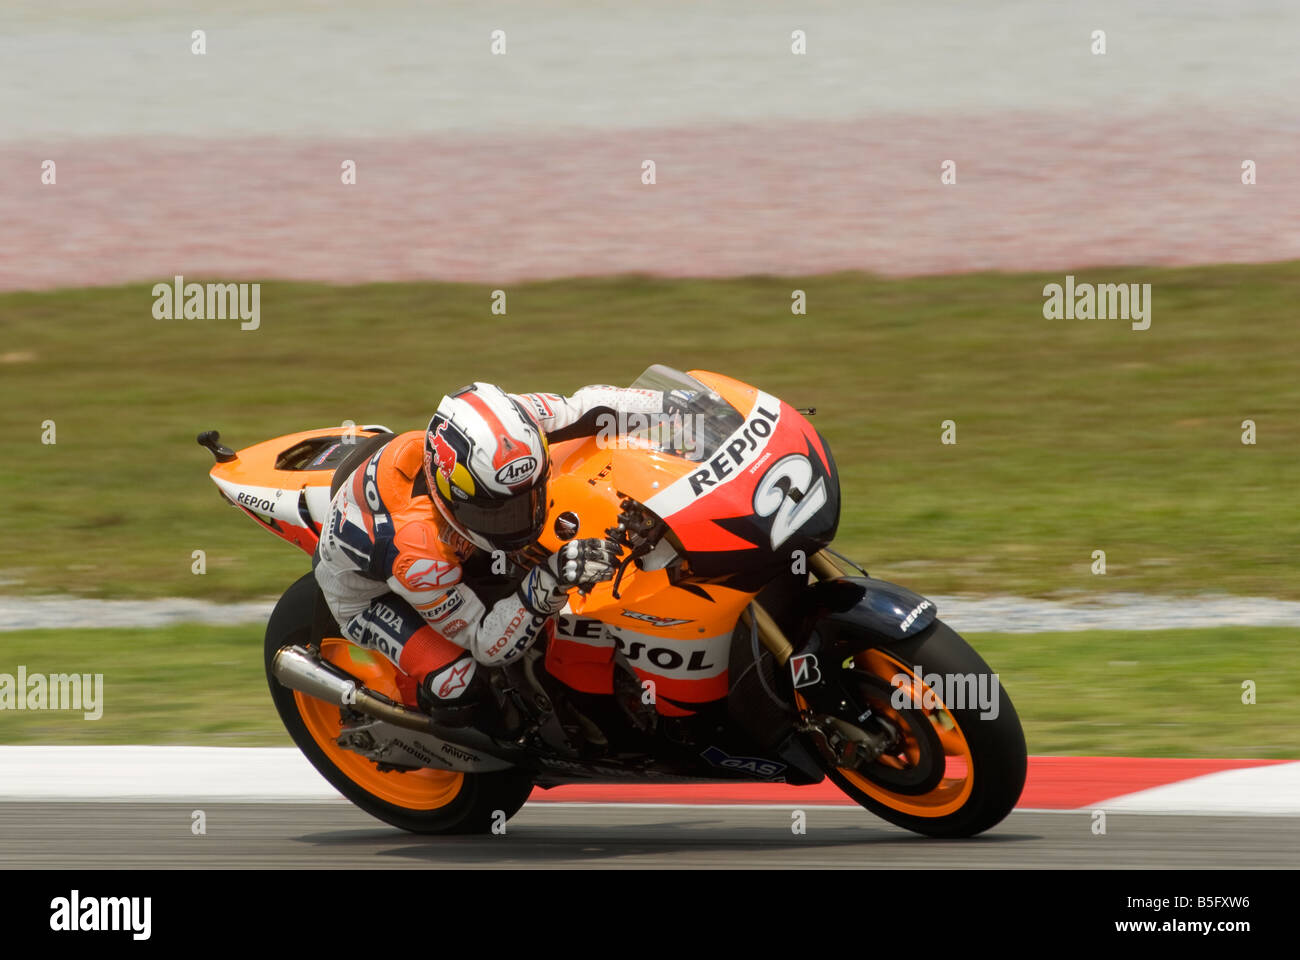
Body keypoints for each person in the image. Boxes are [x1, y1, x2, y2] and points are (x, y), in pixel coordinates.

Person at [313, 382, 665, 732]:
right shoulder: (419, 553)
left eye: (526, 501)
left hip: (444, 541)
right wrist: (551, 579)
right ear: (449, 496)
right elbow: (485, 643)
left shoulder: (513, 425)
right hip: (372, 598)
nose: (518, 523)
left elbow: (587, 407)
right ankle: (489, 745)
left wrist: (679, 406)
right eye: (495, 514)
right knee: (459, 683)